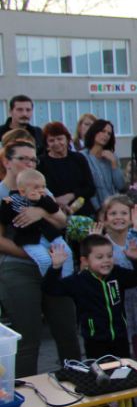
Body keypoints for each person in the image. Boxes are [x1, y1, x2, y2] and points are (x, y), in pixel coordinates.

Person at [0, 140, 80, 377]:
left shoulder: (41, 188)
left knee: (67, 331)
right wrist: (34, 255)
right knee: (27, 336)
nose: (29, 163)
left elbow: (62, 222)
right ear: (6, 162)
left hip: (55, 265)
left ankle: (77, 386)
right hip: (18, 267)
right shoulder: (2, 194)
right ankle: (27, 396)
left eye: (33, 159)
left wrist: (41, 210)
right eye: (22, 158)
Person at [0, 168, 72, 275]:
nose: (41, 190)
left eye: (43, 186)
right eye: (36, 187)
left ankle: (67, 279)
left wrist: (40, 201)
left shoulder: (44, 198)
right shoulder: (12, 200)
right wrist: (6, 205)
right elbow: (5, 220)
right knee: (45, 260)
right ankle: (50, 281)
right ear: (22, 191)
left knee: (67, 253)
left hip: (49, 235)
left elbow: (54, 209)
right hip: (28, 239)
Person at [38, 121, 97, 217]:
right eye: (51, 140)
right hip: (55, 213)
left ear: (67, 139)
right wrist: (55, 200)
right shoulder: (41, 162)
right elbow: (39, 190)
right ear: (46, 143)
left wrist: (70, 196)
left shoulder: (79, 158)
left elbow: (91, 188)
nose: (56, 143)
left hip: (83, 213)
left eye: (60, 139)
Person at [82, 118, 126, 212]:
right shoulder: (82, 156)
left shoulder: (112, 157)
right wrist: (98, 210)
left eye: (109, 133)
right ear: (94, 131)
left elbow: (120, 185)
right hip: (93, 209)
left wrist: (114, 164)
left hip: (113, 207)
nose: (106, 135)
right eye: (103, 131)